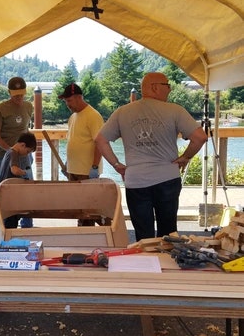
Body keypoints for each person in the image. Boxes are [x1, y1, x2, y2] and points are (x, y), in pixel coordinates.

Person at [95, 72, 207, 241]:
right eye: (167, 85)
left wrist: (117, 165)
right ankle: (166, 264)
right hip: (167, 177)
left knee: (143, 235)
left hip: (136, 181)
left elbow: (100, 140)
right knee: (168, 233)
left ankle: (146, 264)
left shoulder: (122, 112)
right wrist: (185, 157)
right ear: (155, 87)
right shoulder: (175, 110)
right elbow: (200, 137)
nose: (169, 89)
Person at [58, 83, 104, 226]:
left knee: (88, 210)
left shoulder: (93, 116)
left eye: (69, 101)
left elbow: (100, 143)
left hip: (87, 171)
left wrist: (94, 167)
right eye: (66, 102)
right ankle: (81, 232)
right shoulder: (73, 117)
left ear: (79, 97)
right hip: (73, 170)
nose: (68, 104)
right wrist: (67, 163)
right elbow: (73, 141)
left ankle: (88, 236)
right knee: (77, 207)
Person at [0, 76, 34, 228]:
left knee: (28, 189)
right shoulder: (1, 108)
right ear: (9, 92)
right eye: (16, 94)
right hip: (4, 155)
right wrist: (11, 151)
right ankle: (2, 225)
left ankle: (27, 225)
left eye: (22, 94)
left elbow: (26, 130)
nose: (19, 97)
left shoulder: (29, 106)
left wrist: (28, 150)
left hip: (25, 155)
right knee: (4, 191)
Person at [0, 132, 37, 228]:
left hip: (5, 192)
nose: (26, 154)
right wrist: (24, 173)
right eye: (27, 151)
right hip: (9, 194)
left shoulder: (8, 152)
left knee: (9, 222)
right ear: (22, 145)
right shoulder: (13, 154)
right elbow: (14, 170)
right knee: (10, 223)